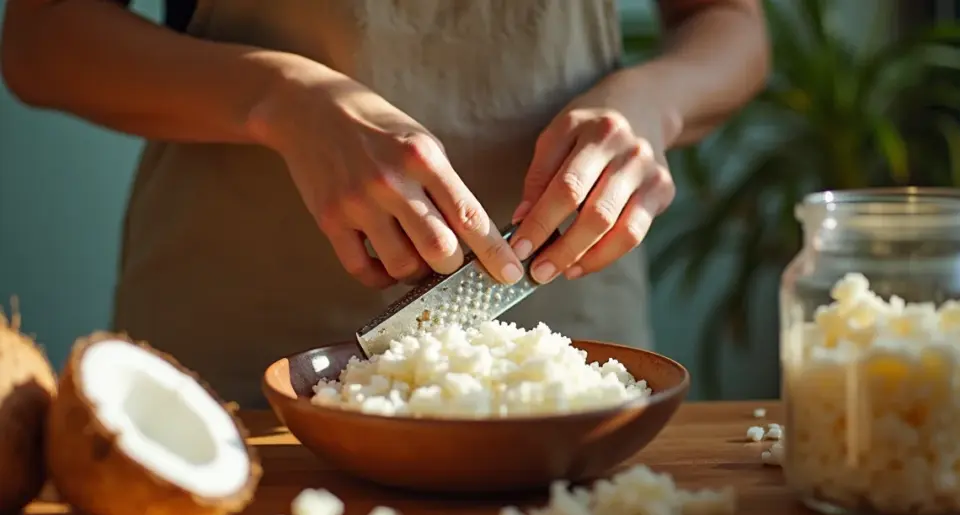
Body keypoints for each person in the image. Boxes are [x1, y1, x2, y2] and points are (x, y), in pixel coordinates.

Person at [1, 0, 769, 407]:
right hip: (232, 344)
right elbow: (41, 39)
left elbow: (731, 22)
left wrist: (655, 101)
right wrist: (281, 98)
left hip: (560, 353)